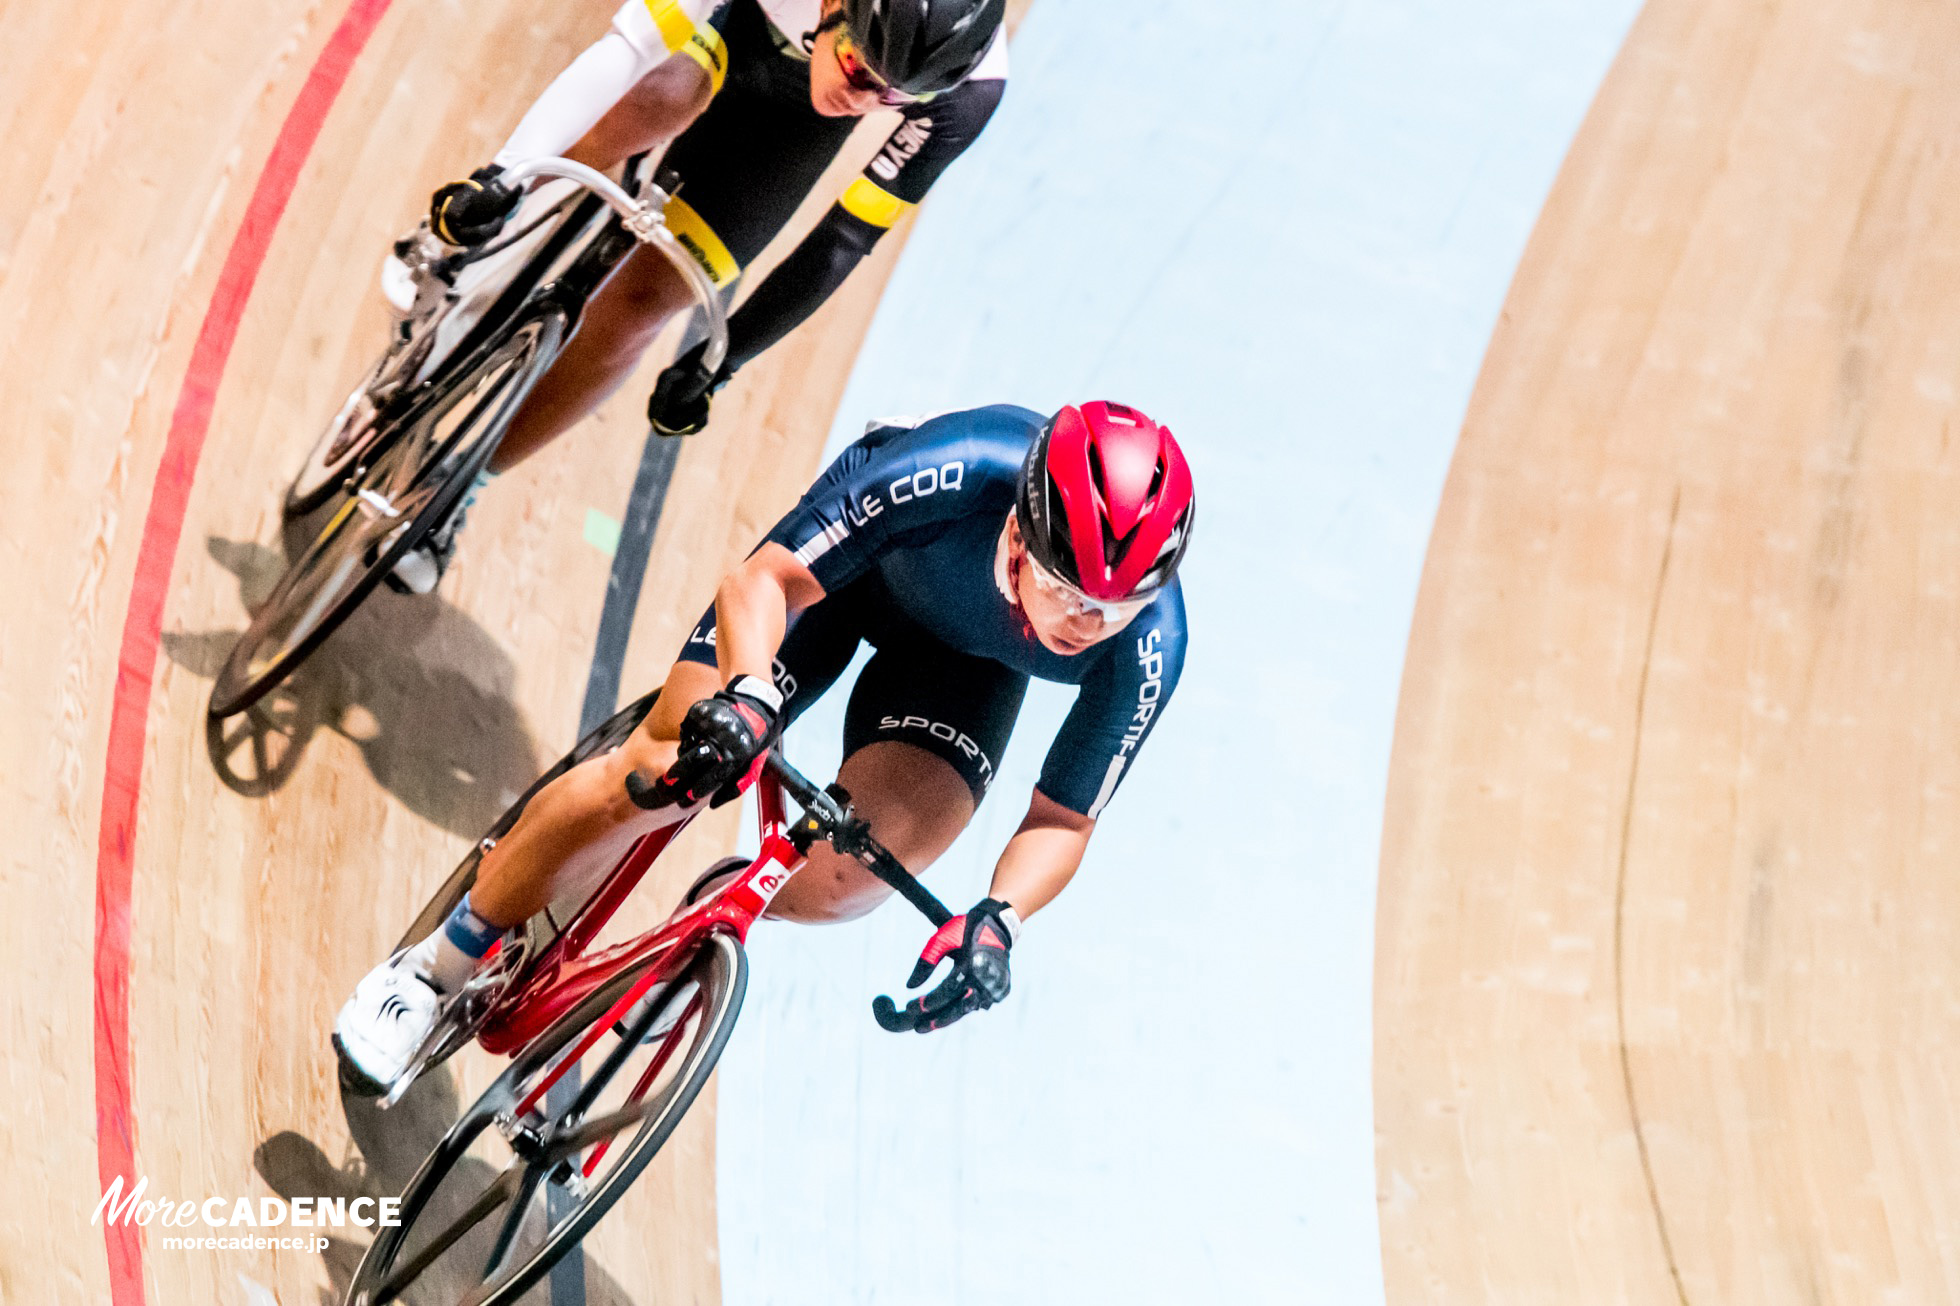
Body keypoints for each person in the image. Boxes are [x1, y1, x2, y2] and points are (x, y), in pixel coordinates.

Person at [335, 399, 1195, 1090]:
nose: (1086, 625)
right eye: (1067, 593)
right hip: (832, 586)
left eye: (1112, 611)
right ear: (1016, 536)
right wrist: (746, 698)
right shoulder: (959, 470)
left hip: (962, 671)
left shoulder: (1150, 645)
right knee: (666, 768)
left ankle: (702, 929)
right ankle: (435, 970)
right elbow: (765, 582)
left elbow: (1064, 819)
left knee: (845, 882)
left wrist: (1000, 919)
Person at [385, 0, 1010, 592]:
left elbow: (843, 240)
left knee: (650, 303)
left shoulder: (969, 90)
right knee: (656, 99)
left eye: (894, 96)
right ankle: (457, 239)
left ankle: (460, 485)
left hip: (793, 122)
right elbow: (629, 49)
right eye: (858, 67)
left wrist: (723, 360)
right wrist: (499, 176)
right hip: (719, 24)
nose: (864, 99)